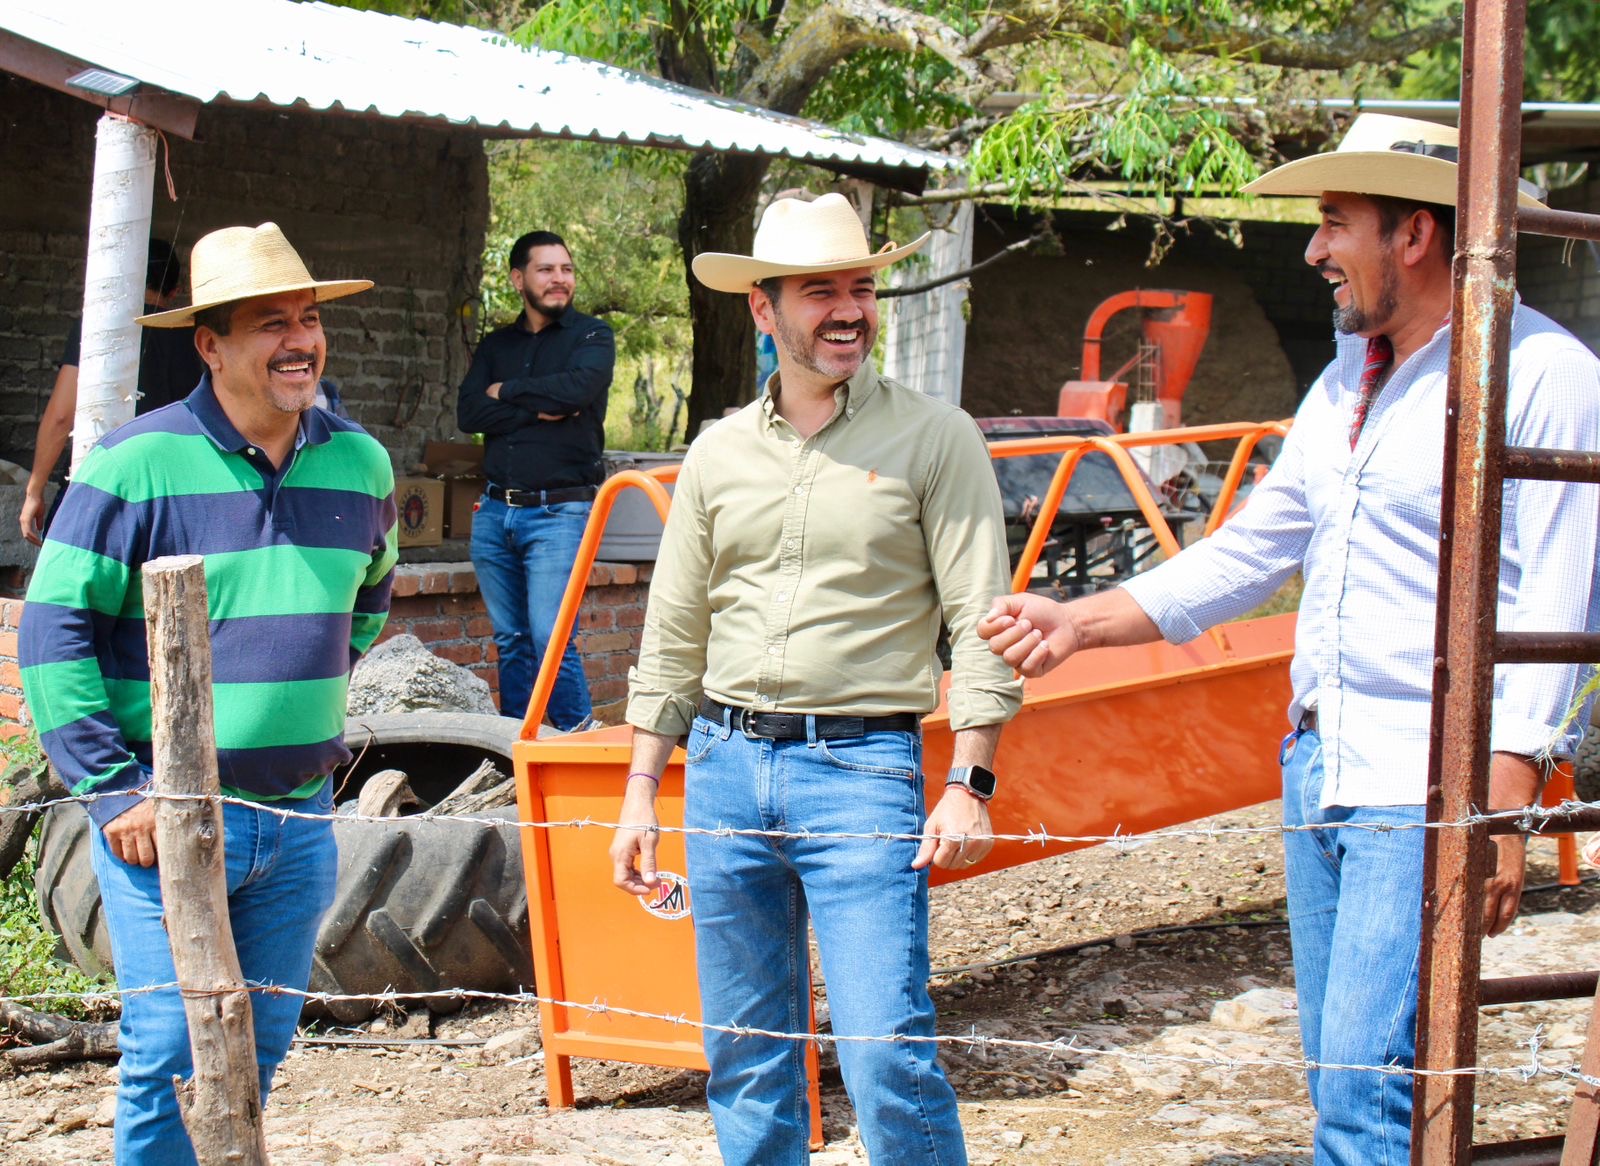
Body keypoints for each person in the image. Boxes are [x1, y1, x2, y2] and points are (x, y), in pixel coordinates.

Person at [979, 113, 1600, 1163]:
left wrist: (1502, 795)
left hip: (1426, 778)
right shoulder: (1345, 379)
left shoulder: (1544, 375)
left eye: (1331, 223)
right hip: (1320, 762)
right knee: (1346, 1075)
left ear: (1413, 234)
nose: (1312, 250)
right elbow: (1252, 550)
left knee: (1363, 1088)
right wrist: (1077, 620)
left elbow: (1562, 592)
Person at [610, 193, 1022, 1165]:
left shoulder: (934, 437)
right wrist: (640, 792)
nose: (847, 309)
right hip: (721, 766)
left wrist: (970, 779)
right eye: (820, 291)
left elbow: (981, 615)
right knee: (746, 1055)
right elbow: (673, 630)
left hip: (861, 768)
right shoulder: (716, 451)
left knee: (884, 1048)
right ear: (763, 308)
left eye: (861, 287)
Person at [19, 222, 397, 1166]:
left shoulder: (363, 464)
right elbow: (50, 632)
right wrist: (113, 788)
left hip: (300, 818)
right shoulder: (134, 465)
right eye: (271, 323)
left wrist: (284, 700)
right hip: (169, 815)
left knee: (259, 1049)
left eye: (309, 319)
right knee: (174, 1052)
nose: (300, 340)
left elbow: (362, 613)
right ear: (210, 343)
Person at [456, 230, 614, 728]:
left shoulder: (592, 337)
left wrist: (510, 392)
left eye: (566, 269)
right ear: (518, 279)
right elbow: (468, 411)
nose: (559, 279)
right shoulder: (496, 345)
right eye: (546, 270)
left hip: (559, 513)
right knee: (512, 641)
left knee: (551, 636)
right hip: (495, 511)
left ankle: (577, 743)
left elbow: (576, 392)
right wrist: (533, 409)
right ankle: (517, 749)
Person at [20, 237, 206, 545]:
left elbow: (61, 416)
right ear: (174, 291)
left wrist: (34, 491)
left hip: (102, 491)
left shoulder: (99, 327)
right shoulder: (200, 340)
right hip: (173, 497)